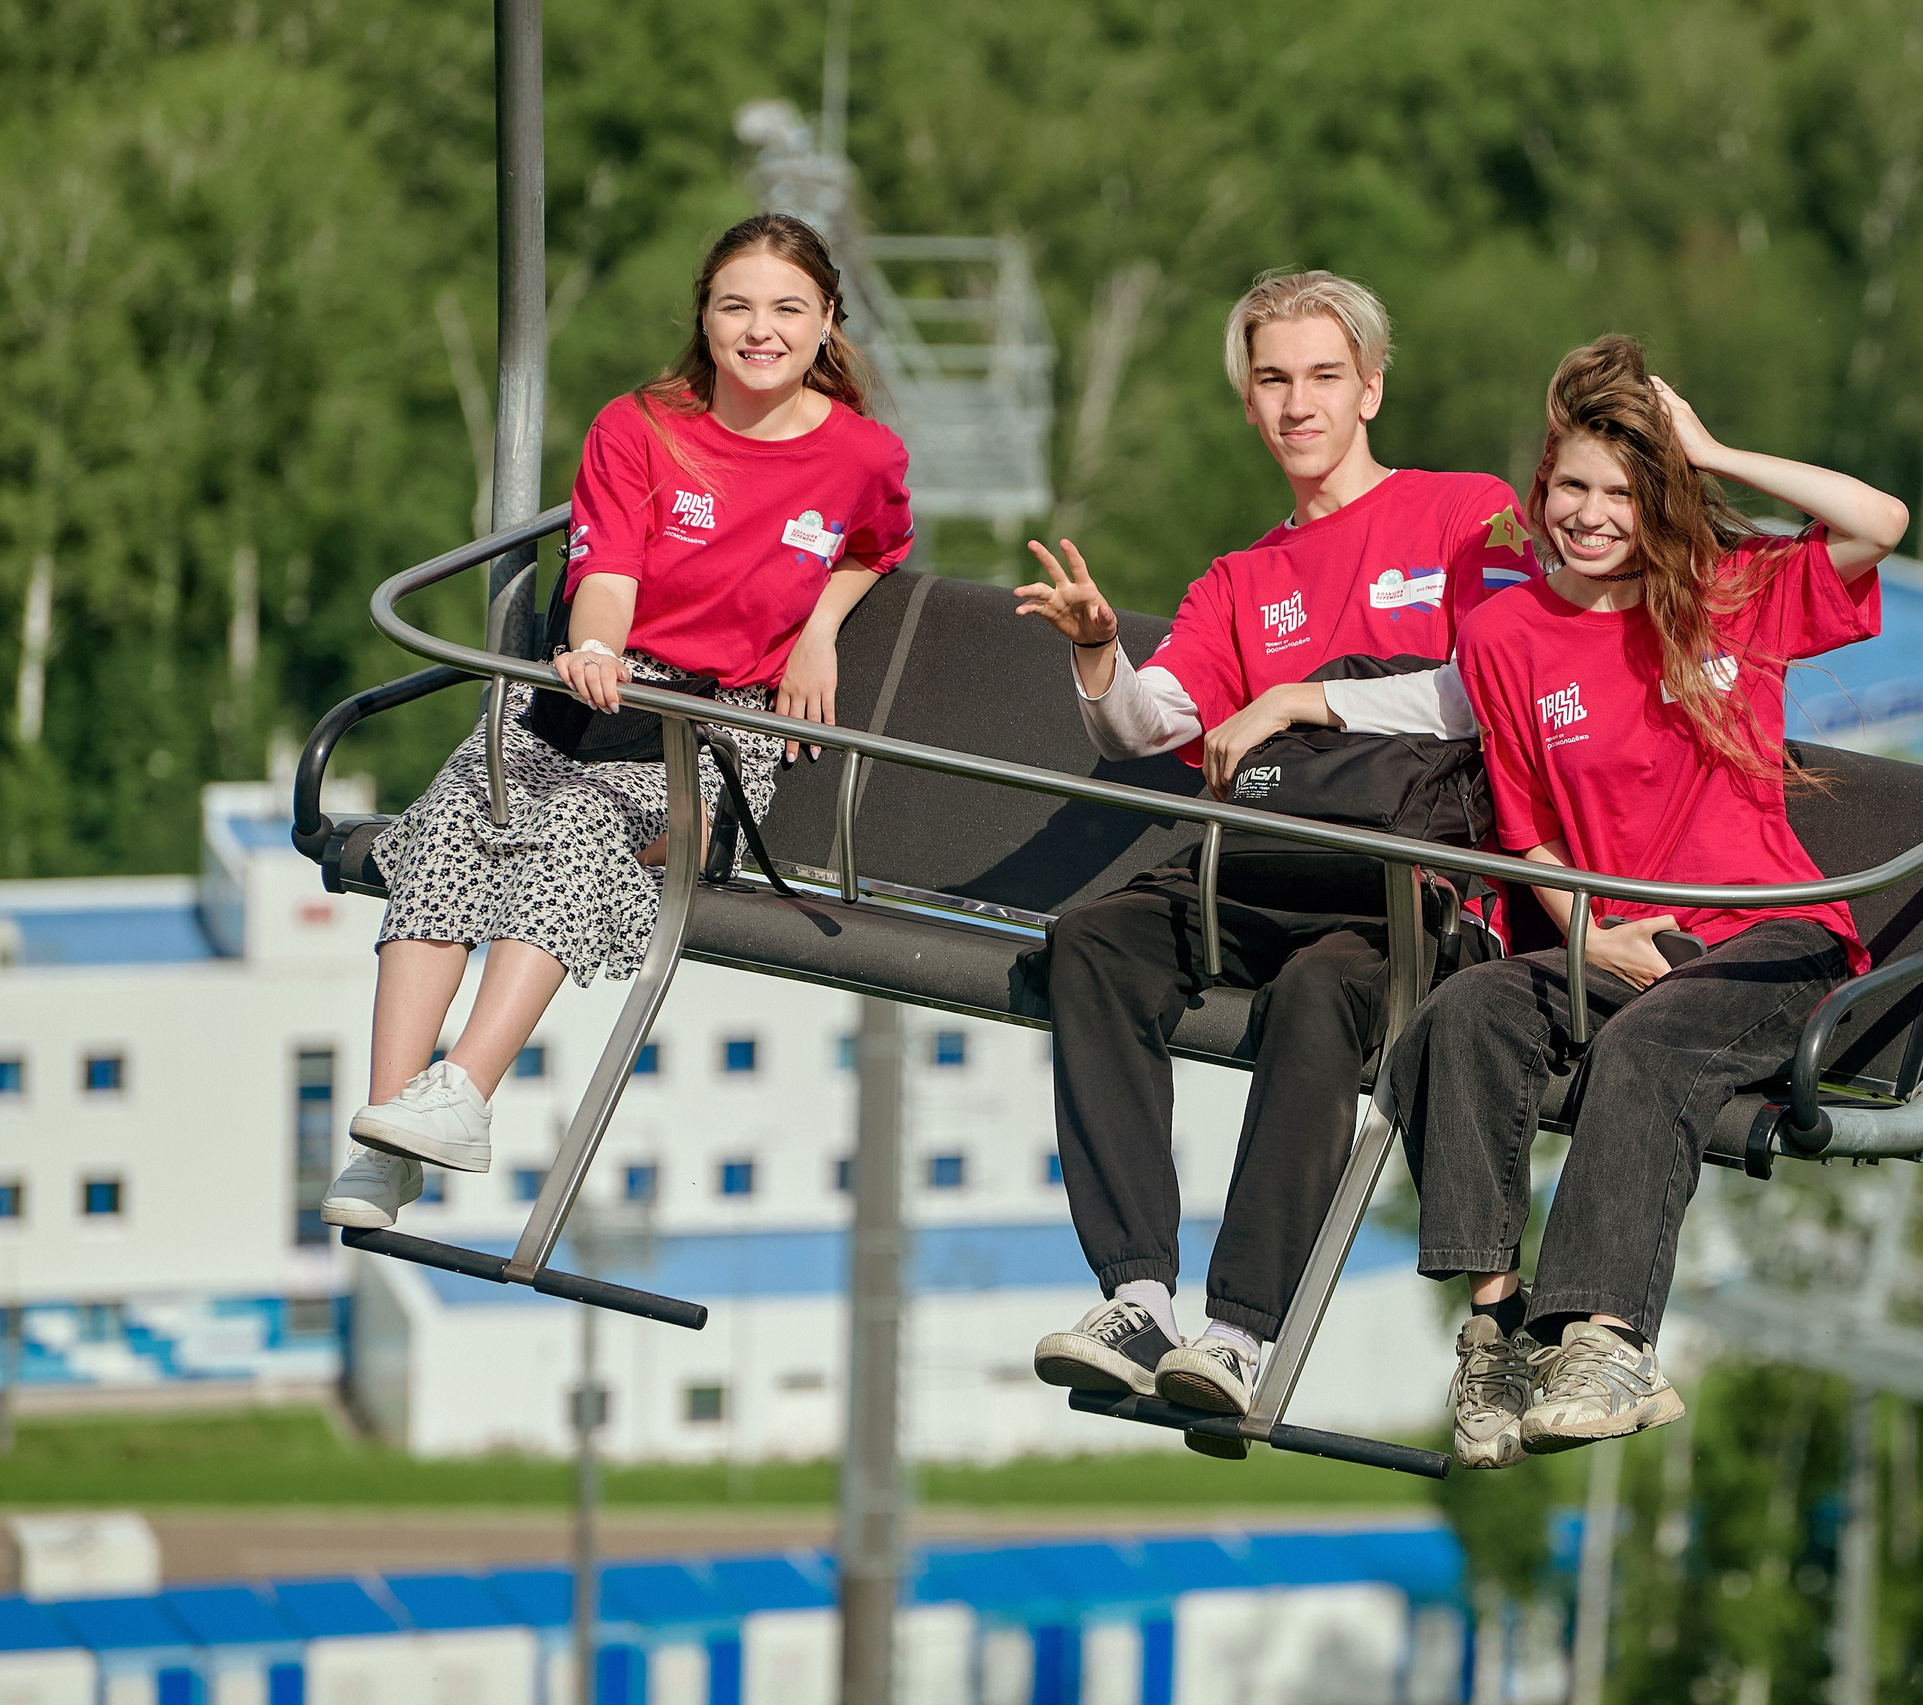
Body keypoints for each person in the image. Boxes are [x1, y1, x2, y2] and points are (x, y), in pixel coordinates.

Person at [321, 213, 913, 1228]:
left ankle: (462, 1091)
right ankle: (389, 1130)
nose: (759, 330)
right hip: (600, 685)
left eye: (786, 309)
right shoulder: (640, 427)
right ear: (705, 317)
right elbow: (606, 572)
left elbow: (876, 546)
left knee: (572, 828)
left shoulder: (859, 453)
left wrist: (817, 631)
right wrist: (595, 651)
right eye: (736, 306)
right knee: (455, 820)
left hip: (713, 731)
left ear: (826, 323)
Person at [1380, 335, 1909, 1467]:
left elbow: (1879, 522)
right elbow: (1528, 836)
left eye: (1622, 491)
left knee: (1649, 1050)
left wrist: (1711, 449)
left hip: (1773, 942)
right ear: (1540, 492)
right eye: (1572, 485)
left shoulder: (1729, 594)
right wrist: (1594, 939)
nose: (1591, 513)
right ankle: (1498, 1330)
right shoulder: (1505, 636)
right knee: (1465, 1013)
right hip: (1620, 938)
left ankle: (1609, 1338)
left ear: (1659, 498)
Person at [1011, 270, 1533, 1415]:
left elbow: (1494, 689)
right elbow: (1154, 723)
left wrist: (1308, 698)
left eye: (1323, 378)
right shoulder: (1241, 578)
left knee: (1315, 995)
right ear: (1248, 403)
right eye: (1273, 380)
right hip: (1259, 868)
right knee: (1093, 940)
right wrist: (1099, 655)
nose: (1298, 403)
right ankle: (1137, 1292)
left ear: (1371, 390)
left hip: (1404, 892)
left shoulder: (1464, 515)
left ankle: (1240, 1331)